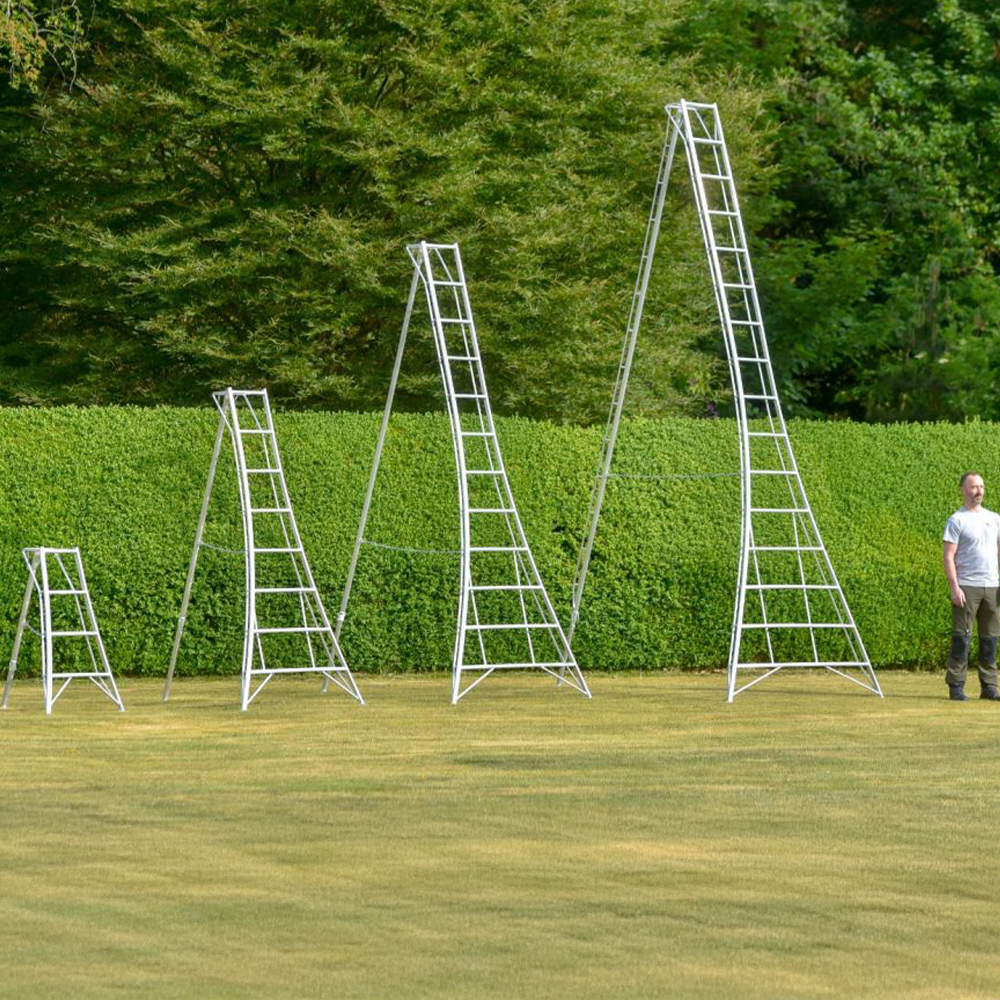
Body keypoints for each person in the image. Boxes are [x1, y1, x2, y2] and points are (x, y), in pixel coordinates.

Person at [943, 471, 1000, 701]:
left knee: (990, 639)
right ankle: (956, 685)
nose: (979, 491)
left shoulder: (995, 518)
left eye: (982, 487)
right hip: (967, 586)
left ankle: (989, 686)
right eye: (974, 487)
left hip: (992, 586)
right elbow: (948, 557)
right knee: (962, 638)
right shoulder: (957, 520)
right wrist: (955, 587)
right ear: (963, 490)